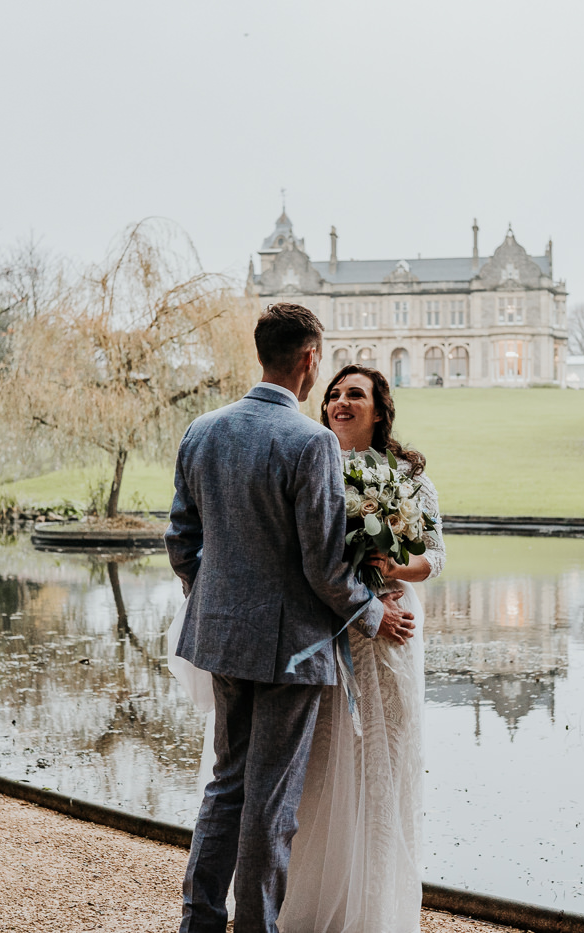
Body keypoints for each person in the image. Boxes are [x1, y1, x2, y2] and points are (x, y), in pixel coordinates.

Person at [164, 303, 416, 933]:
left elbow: (180, 539)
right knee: (271, 805)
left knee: (226, 785)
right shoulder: (311, 443)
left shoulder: (203, 429)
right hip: (292, 652)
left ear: (261, 354)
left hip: (220, 639)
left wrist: (213, 594)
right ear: (308, 359)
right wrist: (369, 613)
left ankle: (198, 921)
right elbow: (326, 568)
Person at [277, 364, 445, 933]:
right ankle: (308, 906)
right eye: (333, 394)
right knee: (323, 769)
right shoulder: (310, 462)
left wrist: (392, 565)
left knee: (383, 766)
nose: (339, 402)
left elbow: (434, 558)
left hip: (391, 631)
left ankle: (373, 912)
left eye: (355, 394)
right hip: (329, 634)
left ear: (379, 410)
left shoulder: (409, 478)